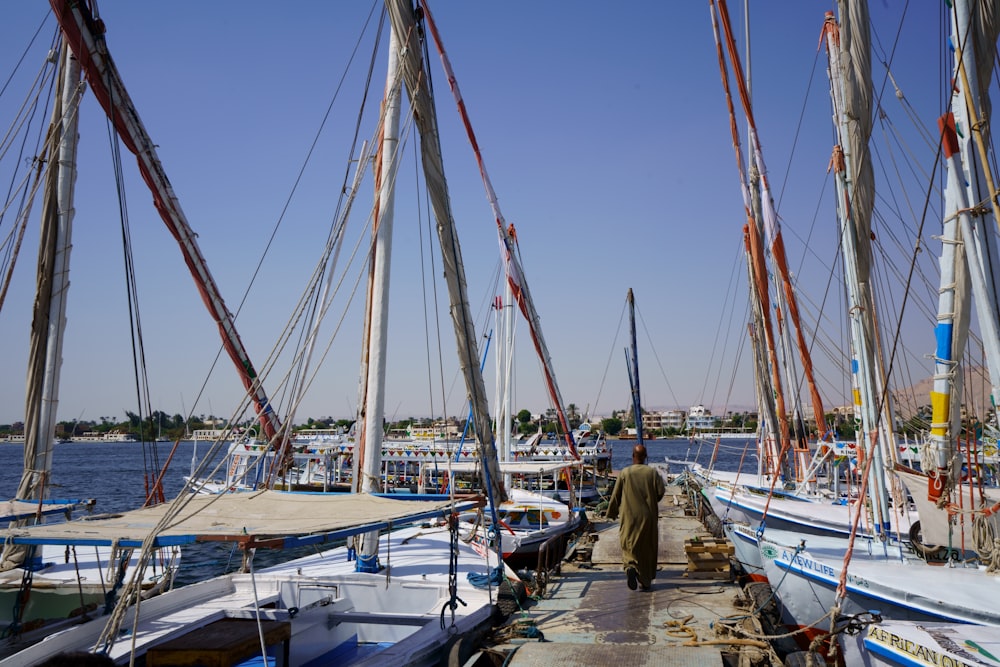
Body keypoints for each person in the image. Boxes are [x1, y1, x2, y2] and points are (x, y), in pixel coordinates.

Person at [606, 443, 665, 591]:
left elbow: (616, 495)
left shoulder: (625, 473)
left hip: (629, 516)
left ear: (633, 456)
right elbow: (660, 492)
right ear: (645, 457)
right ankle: (645, 580)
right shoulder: (652, 473)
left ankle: (631, 566)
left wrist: (611, 512)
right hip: (648, 516)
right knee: (647, 547)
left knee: (629, 544)